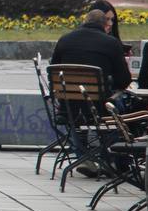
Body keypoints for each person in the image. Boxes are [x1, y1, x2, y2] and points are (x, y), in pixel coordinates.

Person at [49, 9, 131, 178]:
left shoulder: (65, 40)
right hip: (99, 106)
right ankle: (113, 158)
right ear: (104, 25)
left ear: (85, 21)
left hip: (68, 106)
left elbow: (54, 71)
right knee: (122, 106)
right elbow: (124, 80)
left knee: (76, 116)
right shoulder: (111, 43)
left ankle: (84, 157)